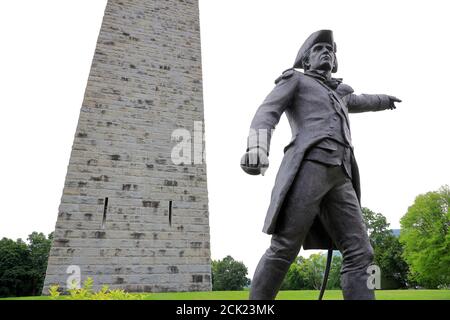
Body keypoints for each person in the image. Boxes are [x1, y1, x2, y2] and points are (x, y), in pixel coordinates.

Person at [241, 30, 401, 300]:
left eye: (331, 49)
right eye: (319, 48)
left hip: (342, 175)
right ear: (306, 60)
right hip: (309, 167)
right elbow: (266, 112)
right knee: (284, 246)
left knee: (361, 252)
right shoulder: (296, 82)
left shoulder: (341, 94)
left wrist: (385, 100)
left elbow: (365, 100)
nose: (327, 52)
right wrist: (257, 147)